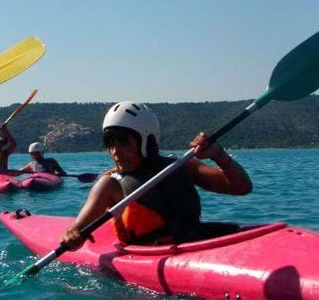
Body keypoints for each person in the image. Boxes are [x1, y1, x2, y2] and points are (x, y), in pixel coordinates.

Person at [60, 101, 252, 248]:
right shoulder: (109, 184)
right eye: (110, 144)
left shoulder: (181, 166)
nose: (116, 151)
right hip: (149, 261)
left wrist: (219, 155)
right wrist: (73, 235)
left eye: (123, 142)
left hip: (196, 244)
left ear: (147, 140)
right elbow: (78, 229)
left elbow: (241, 188)